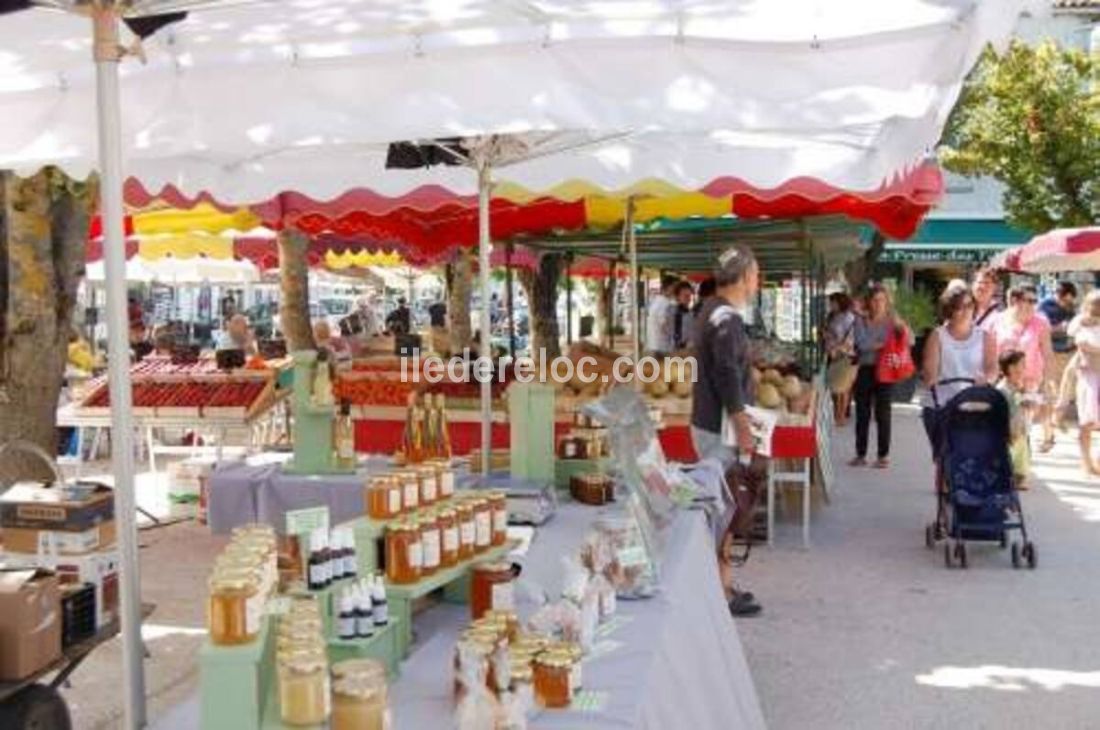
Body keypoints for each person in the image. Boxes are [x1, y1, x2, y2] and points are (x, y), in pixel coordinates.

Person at [691, 245, 761, 618]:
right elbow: (727, 374)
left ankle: (722, 583)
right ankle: (716, 589)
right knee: (722, 507)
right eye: (757, 274)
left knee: (723, 505)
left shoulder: (710, 310)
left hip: (708, 423)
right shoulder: (725, 319)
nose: (757, 281)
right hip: (719, 429)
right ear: (745, 276)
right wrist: (742, 424)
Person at [850, 284, 908, 469]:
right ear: (869, 301)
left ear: (887, 302)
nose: (878, 304)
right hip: (866, 369)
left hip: (886, 370)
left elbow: (910, 340)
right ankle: (861, 454)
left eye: (882, 300)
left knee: (883, 414)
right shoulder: (860, 320)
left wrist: (900, 329)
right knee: (862, 413)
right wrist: (884, 343)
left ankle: (883, 456)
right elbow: (861, 344)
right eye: (875, 300)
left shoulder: (893, 321)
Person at [993, 284, 1055, 453]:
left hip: (1029, 381)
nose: (1033, 304)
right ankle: (1007, 461)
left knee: (1023, 422)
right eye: (1028, 300)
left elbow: (1048, 354)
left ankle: (1021, 466)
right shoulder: (998, 320)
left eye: (1035, 301)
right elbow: (991, 351)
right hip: (1002, 381)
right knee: (1002, 421)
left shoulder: (1040, 322)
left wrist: (1048, 382)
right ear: (1014, 300)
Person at [1071, 290, 1100, 476]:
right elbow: (1082, 344)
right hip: (1088, 377)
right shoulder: (1080, 322)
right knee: (1086, 421)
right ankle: (1086, 461)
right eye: (1094, 303)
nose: (1097, 307)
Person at [997, 350, 1035, 488]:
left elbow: (1024, 404)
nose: (1025, 368)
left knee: (1021, 457)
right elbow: (1005, 411)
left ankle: (1019, 478)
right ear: (1011, 368)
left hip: (1020, 428)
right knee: (1010, 455)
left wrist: (1026, 398)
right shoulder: (1003, 389)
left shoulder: (1018, 385)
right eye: (1022, 365)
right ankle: (1008, 477)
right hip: (1010, 429)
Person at [824, 292, 857, 426]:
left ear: (840, 302)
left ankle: (841, 416)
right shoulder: (833, 316)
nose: (831, 305)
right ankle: (837, 414)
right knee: (836, 387)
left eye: (833, 302)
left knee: (843, 388)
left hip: (845, 356)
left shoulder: (848, 317)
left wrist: (836, 347)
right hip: (833, 355)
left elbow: (850, 338)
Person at [645, 274, 678, 356]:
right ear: (670, 287)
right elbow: (664, 324)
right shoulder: (666, 304)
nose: (676, 290)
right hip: (662, 346)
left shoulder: (655, 301)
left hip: (653, 344)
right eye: (675, 287)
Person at [972, 267, 1002, 331]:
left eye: (987, 283)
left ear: (994, 288)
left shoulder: (1000, 313)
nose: (982, 286)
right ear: (973, 285)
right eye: (980, 282)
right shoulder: (962, 308)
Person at [671, 280, 694, 351]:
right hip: (678, 352)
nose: (689, 298)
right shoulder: (674, 313)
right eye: (685, 296)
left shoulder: (689, 312)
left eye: (690, 295)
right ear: (677, 297)